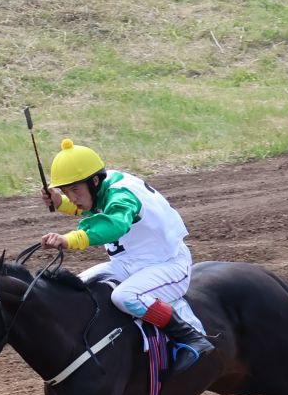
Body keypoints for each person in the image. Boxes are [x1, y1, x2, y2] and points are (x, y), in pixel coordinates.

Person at [37, 138, 213, 366]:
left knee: (125, 297)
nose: (72, 197)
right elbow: (92, 205)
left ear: (95, 181)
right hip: (130, 263)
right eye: (65, 191)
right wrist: (59, 201)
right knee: (77, 289)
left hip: (168, 265)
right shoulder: (103, 185)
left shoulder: (122, 194)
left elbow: (114, 224)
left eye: (75, 190)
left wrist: (70, 239)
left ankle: (191, 337)